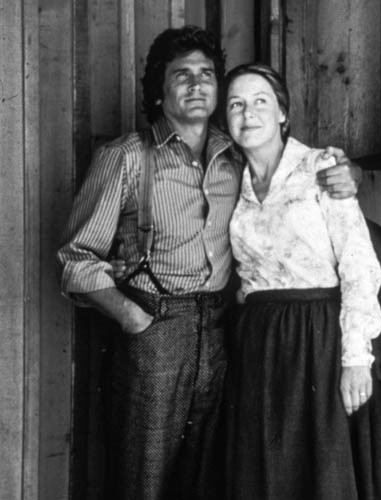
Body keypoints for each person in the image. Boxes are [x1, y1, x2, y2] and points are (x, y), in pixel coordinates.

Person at [57, 26, 361, 500]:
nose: (196, 85)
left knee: (207, 481)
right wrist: (133, 318)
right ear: (158, 93)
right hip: (155, 328)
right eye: (181, 75)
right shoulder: (126, 157)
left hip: (222, 334)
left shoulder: (233, 154)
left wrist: (348, 171)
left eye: (206, 75)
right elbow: (76, 258)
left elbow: (291, 172)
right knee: (143, 481)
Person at [223, 63, 381, 500]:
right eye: (236, 104)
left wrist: (356, 359)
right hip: (260, 343)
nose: (248, 113)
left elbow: (358, 264)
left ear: (282, 112)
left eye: (260, 101)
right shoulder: (228, 178)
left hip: (318, 339)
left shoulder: (320, 166)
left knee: (323, 472)